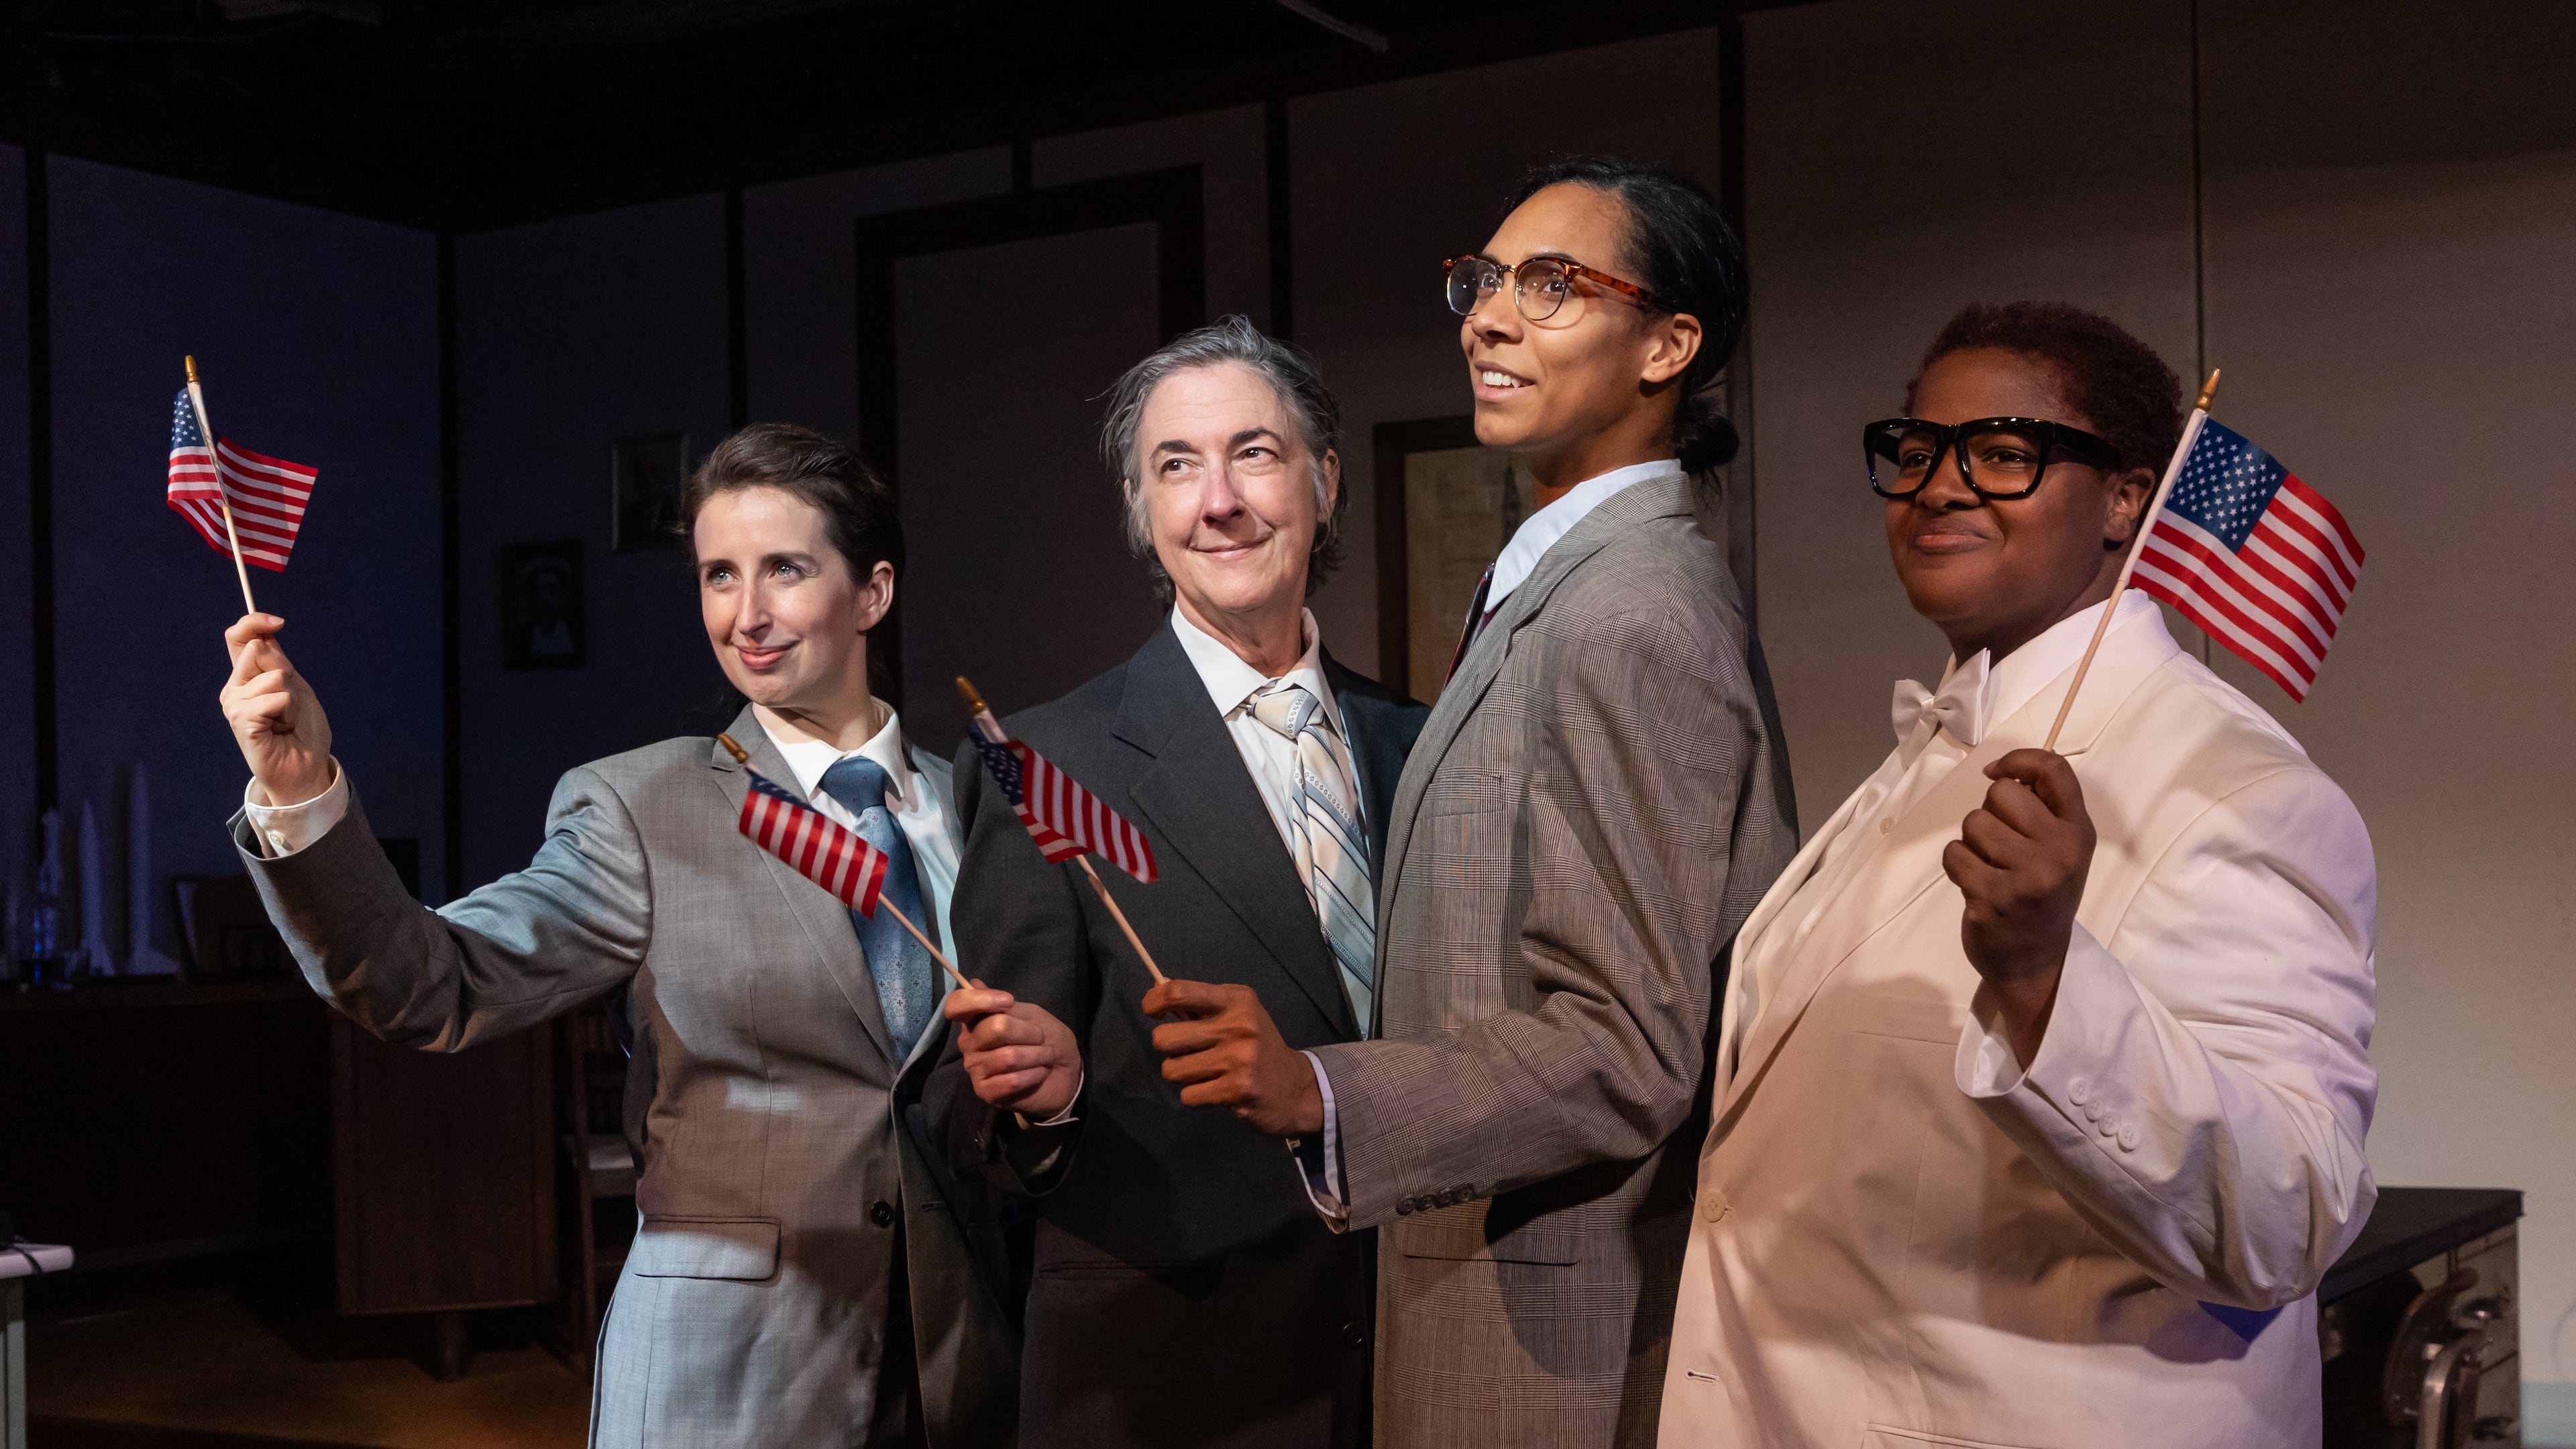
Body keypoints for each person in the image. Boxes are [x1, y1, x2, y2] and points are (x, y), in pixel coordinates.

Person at [1150, 159, 1796, 1446]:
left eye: (1552, 286)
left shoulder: (1628, 612)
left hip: (1553, 1342)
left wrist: (1323, 1094)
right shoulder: (1566, 580)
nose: (1489, 317)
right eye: (1486, 280)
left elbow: (1625, 1047)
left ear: (1670, 344)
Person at [1657, 303, 2378, 1448]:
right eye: (1916, 449)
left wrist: (2047, 982)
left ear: (2127, 499)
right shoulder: (1941, 745)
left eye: (2005, 452)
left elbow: (2290, 1216)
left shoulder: (2237, 790)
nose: (1939, 486)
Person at [216, 424, 1018, 1448]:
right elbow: (429, 984)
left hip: (957, 1371)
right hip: (726, 1374)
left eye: (784, 569)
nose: (748, 614)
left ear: (872, 593)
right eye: (719, 576)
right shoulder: (644, 806)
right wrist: (301, 798)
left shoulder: (974, 808)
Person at [933, 316, 1430, 1448]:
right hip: (1174, 1375)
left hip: (1414, 1352)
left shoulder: (1425, 741)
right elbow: (969, 1113)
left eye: (1254, 453)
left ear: (1325, 481)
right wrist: (1045, 1100)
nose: (1221, 500)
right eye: (1177, 466)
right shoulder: (1040, 766)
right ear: (1141, 510)